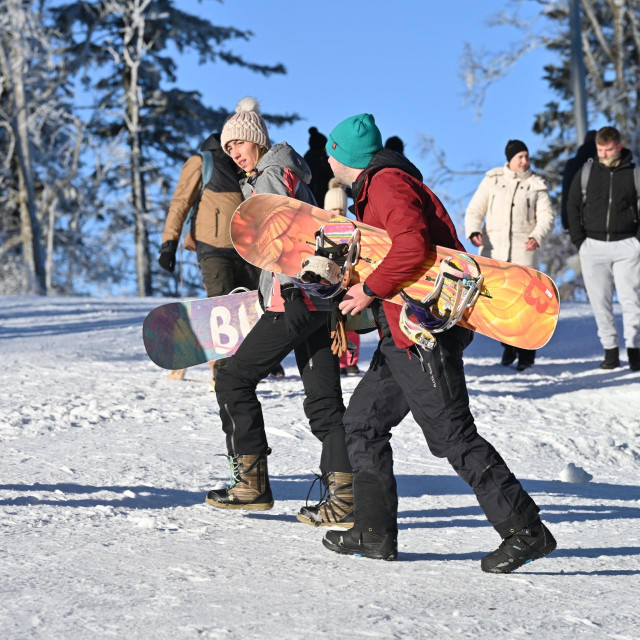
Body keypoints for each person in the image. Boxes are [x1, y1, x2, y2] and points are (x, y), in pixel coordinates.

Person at [320, 113, 556, 573]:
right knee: (362, 424)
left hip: (425, 335)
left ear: (345, 157)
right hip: (400, 335)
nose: (328, 158)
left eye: (332, 150)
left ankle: (527, 531)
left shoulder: (387, 184)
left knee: (452, 437)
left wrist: (368, 291)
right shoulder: (374, 189)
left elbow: (412, 247)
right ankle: (373, 533)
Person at [205, 97, 354, 528]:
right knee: (325, 402)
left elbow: (284, 240)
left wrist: (284, 290)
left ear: (256, 140)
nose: (234, 151)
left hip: (295, 298)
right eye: (228, 146)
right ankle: (345, 498)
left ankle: (251, 485)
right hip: (316, 299)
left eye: (239, 143)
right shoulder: (287, 173)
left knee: (233, 378)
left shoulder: (270, 177)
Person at [158, 132, 262, 385]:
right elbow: (181, 201)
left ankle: (192, 354)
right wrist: (168, 243)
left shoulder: (247, 163)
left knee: (251, 308)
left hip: (247, 246)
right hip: (213, 247)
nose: (235, 146)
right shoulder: (202, 161)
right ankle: (223, 374)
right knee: (221, 308)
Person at [465, 139, 555, 371]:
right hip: (495, 249)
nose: (524, 161)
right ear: (510, 160)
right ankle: (508, 345)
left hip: (524, 249)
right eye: (520, 157)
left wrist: (537, 235)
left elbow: (546, 216)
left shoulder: (537, 184)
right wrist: (474, 230)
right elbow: (476, 208)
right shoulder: (493, 180)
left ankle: (527, 352)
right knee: (501, 300)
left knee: (527, 301)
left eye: (526, 156)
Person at [567, 125, 640, 371]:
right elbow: (573, 205)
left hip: (627, 246)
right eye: (600, 150)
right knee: (600, 302)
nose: (604, 154)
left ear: (618, 146)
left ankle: (635, 349)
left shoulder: (634, 173)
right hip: (593, 247)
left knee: (632, 301)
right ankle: (610, 351)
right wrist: (581, 242)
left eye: (608, 149)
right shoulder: (587, 171)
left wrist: (637, 241)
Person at [323, 178, 361, 375]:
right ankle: (337, 361)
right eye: (333, 210)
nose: (337, 214)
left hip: (348, 281)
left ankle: (350, 360)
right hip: (330, 283)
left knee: (351, 323)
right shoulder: (323, 232)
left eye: (341, 210)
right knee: (333, 323)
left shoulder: (353, 230)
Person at [561, 130, 597, 231]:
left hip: (580, 218)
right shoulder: (603, 162)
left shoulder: (572, 164)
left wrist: (566, 221)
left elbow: (566, 194)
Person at [304, 126, 334, 207]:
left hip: (307, 203)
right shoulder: (325, 162)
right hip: (325, 203)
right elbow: (335, 181)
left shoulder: (304, 161)